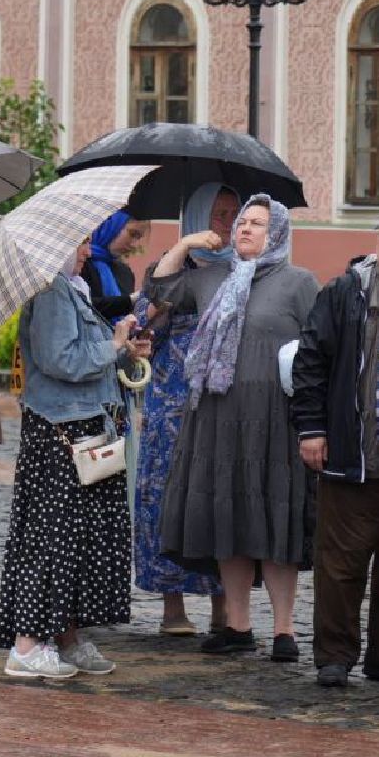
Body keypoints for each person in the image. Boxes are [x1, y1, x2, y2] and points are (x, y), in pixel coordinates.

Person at [149, 195, 318, 659]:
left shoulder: (298, 283)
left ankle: (285, 630)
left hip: (273, 422)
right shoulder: (211, 278)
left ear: (277, 233)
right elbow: (159, 290)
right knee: (228, 517)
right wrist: (184, 243)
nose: (244, 228)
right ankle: (238, 625)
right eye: (241, 221)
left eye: (257, 223)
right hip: (217, 418)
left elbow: (320, 350)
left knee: (274, 522)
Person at [293, 200, 379, 688]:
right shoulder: (346, 291)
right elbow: (310, 359)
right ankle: (334, 657)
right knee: (341, 560)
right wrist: (312, 429)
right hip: (357, 447)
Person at [0, 241, 144, 678]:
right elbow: (59, 359)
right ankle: (26, 644)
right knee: (51, 539)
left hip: (88, 424)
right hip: (61, 431)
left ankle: (66, 635)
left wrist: (124, 348)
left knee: (80, 541)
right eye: (78, 242)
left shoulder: (73, 288)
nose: (84, 251)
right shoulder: (51, 291)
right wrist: (113, 345)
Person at [132, 184, 233, 636]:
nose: (225, 225)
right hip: (171, 401)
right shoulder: (171, 267)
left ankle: (223, 608)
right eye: (217, 215)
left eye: (234, 215)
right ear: (194, 218)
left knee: (218, 500)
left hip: (220, 402)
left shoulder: (242, 270)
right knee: (166, 498)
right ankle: (173, 609)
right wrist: (185, 246)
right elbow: (146, 314)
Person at [81, 210, 149, 324]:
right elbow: (83, 307)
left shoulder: (125, 272)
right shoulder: (80, 263)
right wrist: (130, 301)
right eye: (132, 234)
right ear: (111, 226)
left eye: (139, 238)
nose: (135, 245)